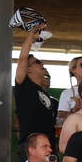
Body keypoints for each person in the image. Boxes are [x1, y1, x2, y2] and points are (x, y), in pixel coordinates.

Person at [13, 23, 57, 151]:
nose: (42, 63)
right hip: (32, 149)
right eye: (37, 62)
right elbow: (22, 58)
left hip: (49, 149)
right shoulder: (24, 85)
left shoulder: (45, 95)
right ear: (28, 70)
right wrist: (31, 35)